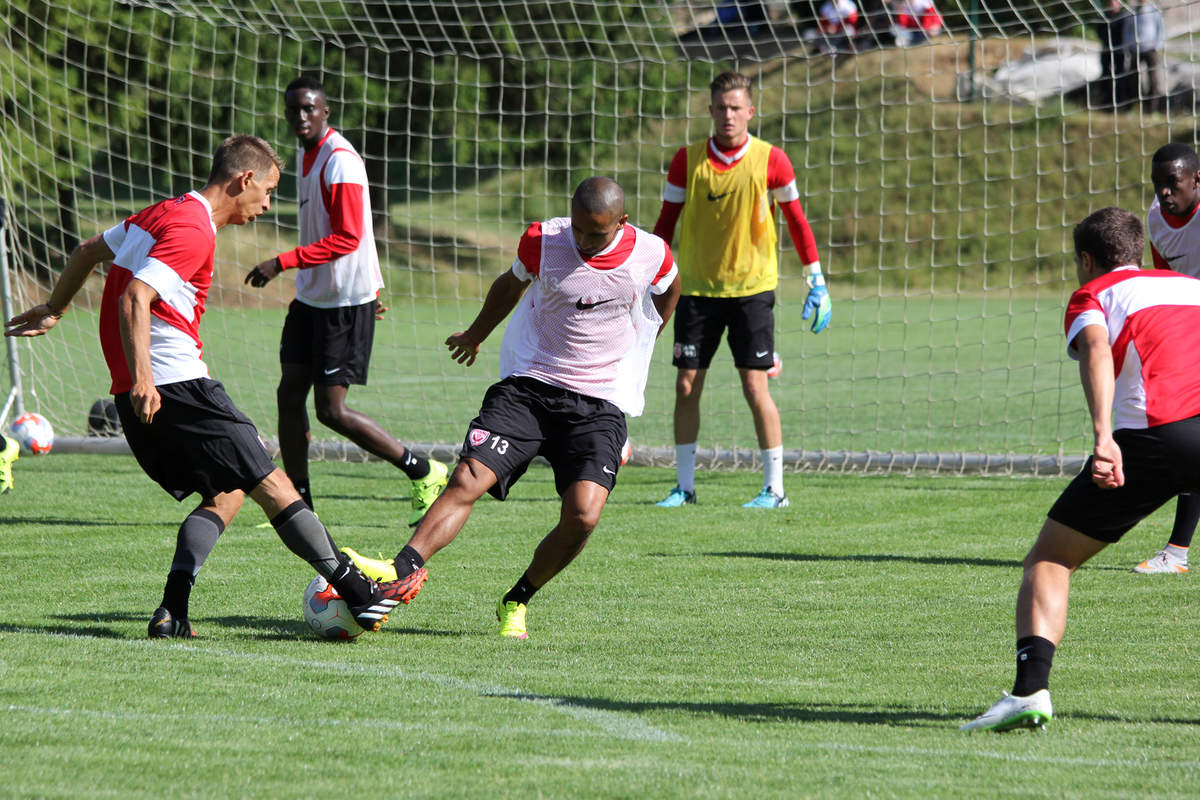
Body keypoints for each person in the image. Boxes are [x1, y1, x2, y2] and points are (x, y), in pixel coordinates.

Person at [4, 135, 426, 638]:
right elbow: (136, 297)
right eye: (267, 190)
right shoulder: (192, 229)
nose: (268, 204)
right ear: (243, 180)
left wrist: (55, 307)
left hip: (142, 392)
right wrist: (145, 376)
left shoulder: (164, 212)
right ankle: (360, 594)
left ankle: (171, 612)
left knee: (226, 494)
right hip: (175, 384)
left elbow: (87, 250)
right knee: (274, 485)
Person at [341, 177, 680, 639]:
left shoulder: (652, 253)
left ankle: (516, 599)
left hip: (599, 403)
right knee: (467, 478)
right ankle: (400, 571)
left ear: (622, 222)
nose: (582, 241)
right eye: (578, 229)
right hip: (529, 387)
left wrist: (646, 336)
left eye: (595, 234)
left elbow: (669, 286)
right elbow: (510, 284)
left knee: (583, 516)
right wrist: (475, 334)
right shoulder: (544, 240)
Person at [962, 207, 1200, 732]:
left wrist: (1102, 438)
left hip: (1160, 434)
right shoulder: (1189, 286)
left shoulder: (1093, 295)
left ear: (1086, 259)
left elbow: (1095, 348)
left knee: (1050, 558)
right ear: (1138, 249)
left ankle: (1030, 692)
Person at [244, 76, 447, 526]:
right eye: (293, 108)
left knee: (331, 410)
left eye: (309, 109)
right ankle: (296, 503)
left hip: (344, 301)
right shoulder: (304, 154)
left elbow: (349, 238)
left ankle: (424, 470)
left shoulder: (340, 161)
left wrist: (282, 261)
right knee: (288, 394)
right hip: (314, 297)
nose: (300, 116)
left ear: (325, 112)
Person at [652, 71, 829, 510]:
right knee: (687, 386)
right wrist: (645, 274)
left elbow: (797, 221)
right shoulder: (686, 160)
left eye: (736, 108)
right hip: (696, 290)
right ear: (710, 110)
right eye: (721, 107)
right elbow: (665, 225)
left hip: (752, 291)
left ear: (750, 112)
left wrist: (816, 278)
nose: (728, 115)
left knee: (755, 386)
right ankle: (684, 487)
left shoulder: (773, 160)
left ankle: (775, 489)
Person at [1124, 142, 1200, 574]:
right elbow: (1165, 279)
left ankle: (1175, 553)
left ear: (1196, 180)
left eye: (1173, 182)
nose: (1165, 192)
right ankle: (1176, 553)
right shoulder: (1155, 219)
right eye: (1158, 184)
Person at [1119, 0, 1166, 112]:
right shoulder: (1131, 11)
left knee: (1153, 78)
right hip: (1134, 49)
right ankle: (1137, 104)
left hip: (1151, 48)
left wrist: (1158, 45)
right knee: (1133, 77)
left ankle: (1153, 108)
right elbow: (1126, 31)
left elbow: (1161, 28)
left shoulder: (1154, 10)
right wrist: (1127, 47)